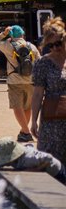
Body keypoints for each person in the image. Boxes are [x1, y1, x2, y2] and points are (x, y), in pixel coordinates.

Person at [0, 25, 39, 143]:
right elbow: (39, 61)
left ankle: (26, 132)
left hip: (14, 80)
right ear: (23, 34)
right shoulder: (31, 46)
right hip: (31, 80)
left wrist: (3, 33)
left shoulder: (8, 45)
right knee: (28, 107)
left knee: (17, 106)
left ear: (11, 35)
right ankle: (24, 132)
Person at [31, 16, 66, 163]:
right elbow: (38, 94)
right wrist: (33, 121)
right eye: (50, 45)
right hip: (52, 122)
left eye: (58, 43)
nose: (55, 48)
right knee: (49, 162)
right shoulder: (43, 63)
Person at [0, 136, 66, 185]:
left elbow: (49, 158)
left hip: (57, 171)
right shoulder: (10, 160)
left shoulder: (29, 158)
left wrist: (36, 169)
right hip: (44, 168)